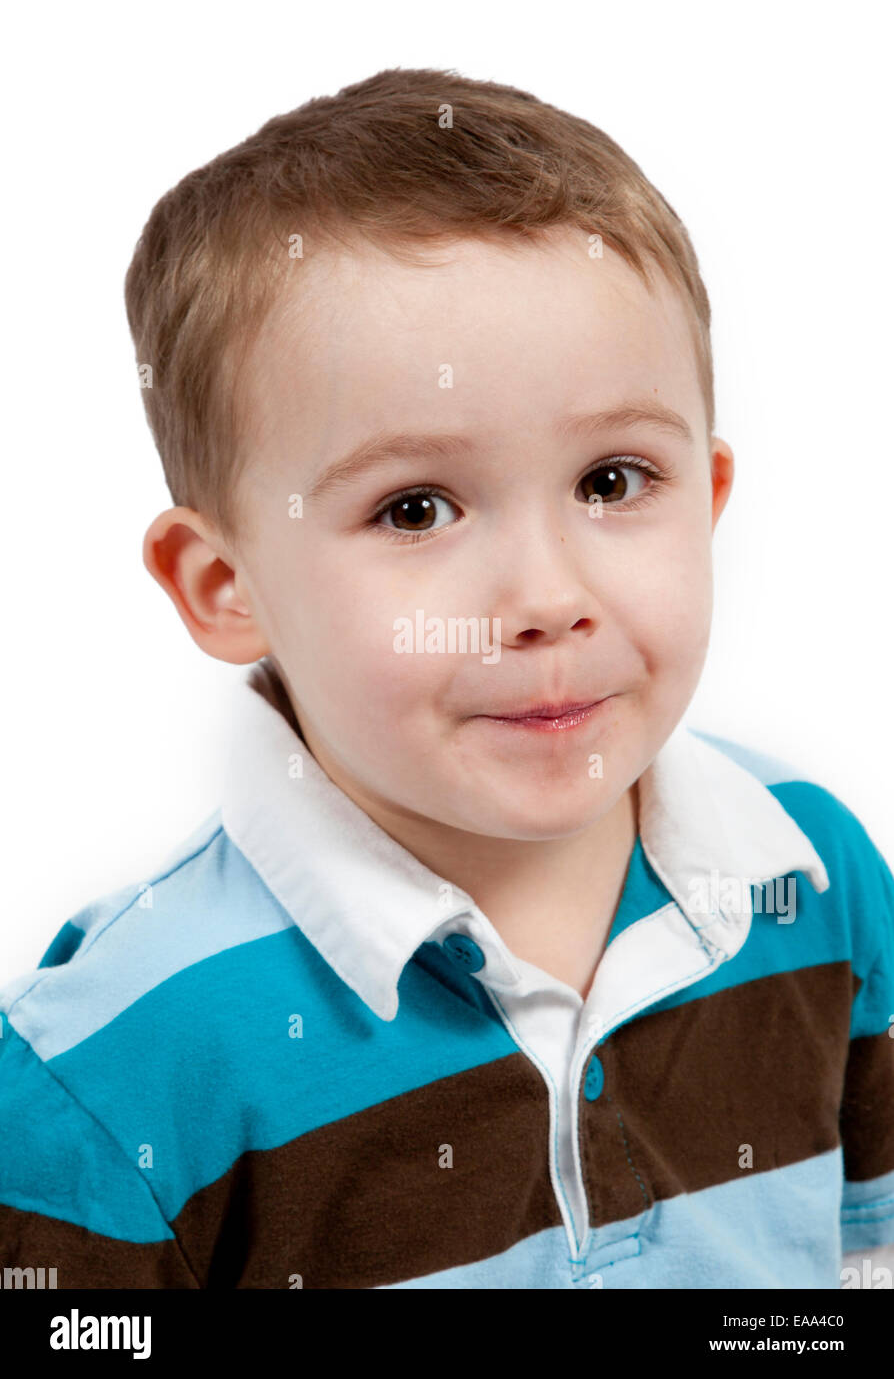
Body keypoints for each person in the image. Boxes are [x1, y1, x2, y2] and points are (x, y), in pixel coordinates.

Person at [1, 67, 892, 1289]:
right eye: (416, 508)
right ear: (225, 585)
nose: (544, 596)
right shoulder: (108, 1071)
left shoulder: (814, 875)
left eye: (614, 481)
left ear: (712, 498)